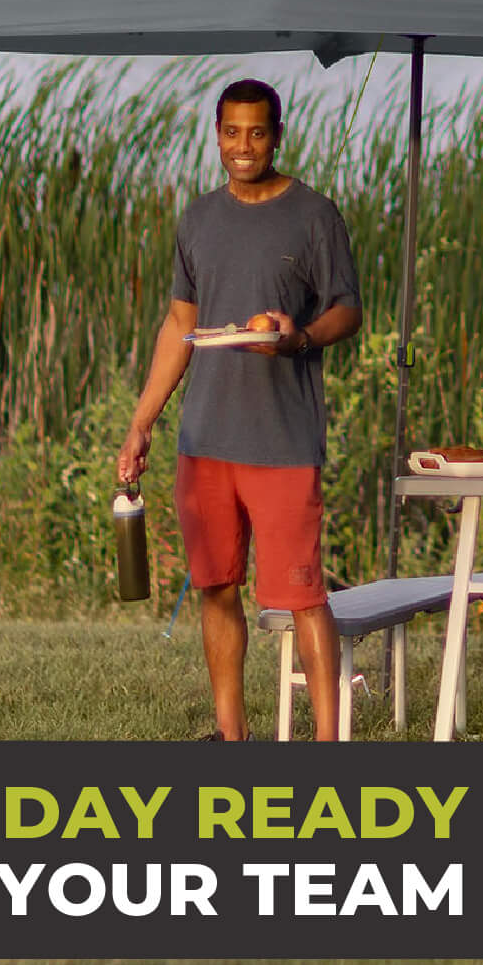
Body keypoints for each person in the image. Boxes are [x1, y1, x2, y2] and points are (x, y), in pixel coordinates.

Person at [117, 77, 362, 741]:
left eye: (257, 132)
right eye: (232, 132)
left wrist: (298, 337)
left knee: (303, 595)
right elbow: (180, 325)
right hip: (205, 441)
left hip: (283, 442)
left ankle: (327, 745)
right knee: (215, 587)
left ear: (277, 135)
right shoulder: (198, 219)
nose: (243, 146)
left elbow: (347, 310)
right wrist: (142, 423)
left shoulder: (315, 215)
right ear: (218, 135)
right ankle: (232, 737)